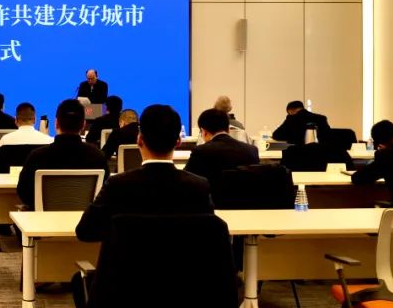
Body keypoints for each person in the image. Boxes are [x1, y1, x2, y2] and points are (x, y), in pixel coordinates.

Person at [76, 104, 214, 243]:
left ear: (139, 139)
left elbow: (85, 231)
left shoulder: (117, 185)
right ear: (178, 141)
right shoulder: (199, 187)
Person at [17, 99, 108, 208]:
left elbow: (24, 193)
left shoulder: (37, 156)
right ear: (83, 124)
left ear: (56, 123)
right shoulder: (98, 156)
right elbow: (105, 193)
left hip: (44, 218)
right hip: (86, 218)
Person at [184, 109, 259, 187]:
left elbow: (186, 180)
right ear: (228, 130)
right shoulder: (252, 150)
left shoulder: (201, 152)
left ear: (204, 132)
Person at [0, 102, 53, 172]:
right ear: (34, 120)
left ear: (16, 120)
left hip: (10, 179)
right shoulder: (49, 141)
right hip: (36, 179)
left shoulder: (5, 140)